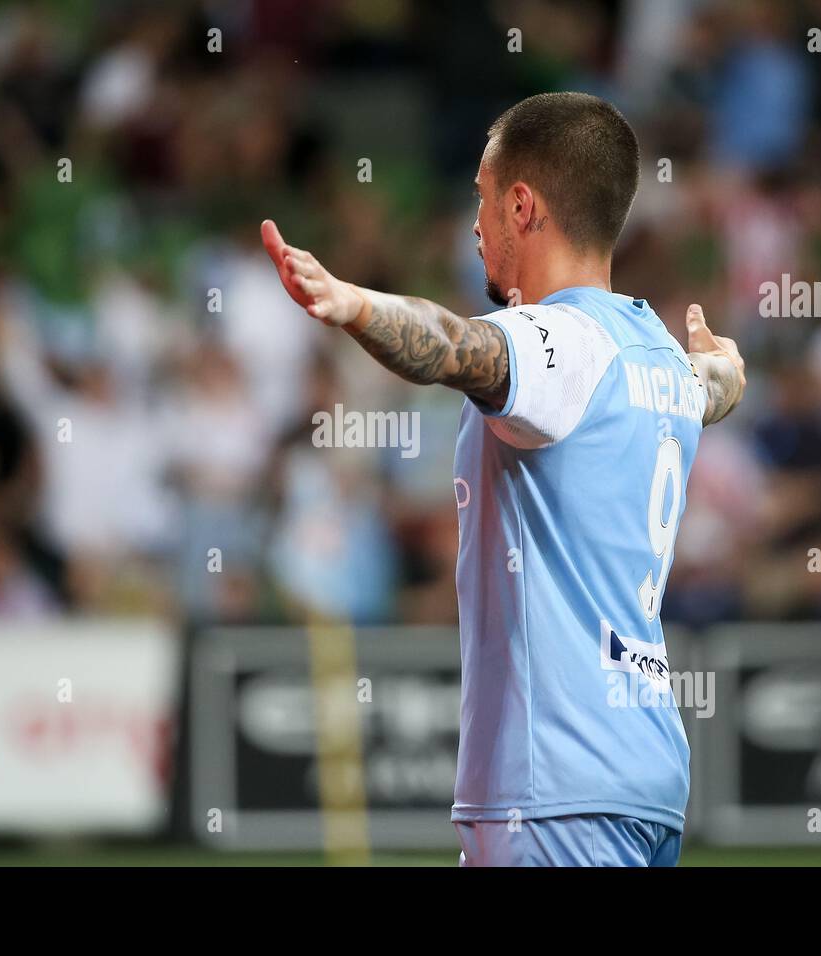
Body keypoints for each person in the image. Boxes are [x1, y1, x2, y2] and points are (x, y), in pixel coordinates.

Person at [261, 92, 745, 866]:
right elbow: (713, 388)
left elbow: (456, 349)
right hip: (645, 776)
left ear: (523, 206)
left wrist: (353, 304)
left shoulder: (558, 341)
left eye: (482, 201)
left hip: (555, 789)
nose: (473, 226)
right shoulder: (655, 351)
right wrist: (730, 367)